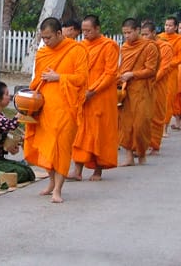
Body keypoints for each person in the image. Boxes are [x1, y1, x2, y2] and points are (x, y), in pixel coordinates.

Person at [24, 17, 88, 203]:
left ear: (60, 33)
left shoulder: (76, 50)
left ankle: (58, 190)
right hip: (44, 108)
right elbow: (37, 80)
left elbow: (82, 78)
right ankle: (51, 181)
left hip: (66, 108)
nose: (45, 42)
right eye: (43, 38)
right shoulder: (42, 54)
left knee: (61, 147)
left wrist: (59, 77)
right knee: (47, 147)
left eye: (49, 37)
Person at [70, 15, 119, 181]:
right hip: (83, 96)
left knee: (99, 133)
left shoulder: (109, 46)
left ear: (98, 29)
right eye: (83, 31)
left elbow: (110, 73)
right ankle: (77, 170)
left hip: (101, 97)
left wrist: (93, 90)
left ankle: (98, 170)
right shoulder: (81, 47)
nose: (85, 34)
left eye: (88, 30)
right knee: (80, 132)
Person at [118, 18, 159, 166]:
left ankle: (141, 153)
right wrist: (120, 77)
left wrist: (133, 74)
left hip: (142, 90)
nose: (126, 36)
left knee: (141, 124)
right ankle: (129, 156)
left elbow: (151, 69)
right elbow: (122, 67)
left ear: (137, 31)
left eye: (129, 32)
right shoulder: (124, 47)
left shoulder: (149, 47)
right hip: (127, 90)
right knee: (126, 125)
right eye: (124, 33)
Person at [140, 20, 172, 155]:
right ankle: (143, 143)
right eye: (142, 34)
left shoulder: (165, 47)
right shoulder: (142, 46)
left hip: (158, 85)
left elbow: (164, 67)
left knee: (157, 115)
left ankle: (154, 145)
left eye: (146, 34)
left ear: (154, 33)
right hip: (143, 85)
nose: (143, 37)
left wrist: (152, 78)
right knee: (143, 115)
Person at [158, 17, 181, 135]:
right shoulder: (159, 38)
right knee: (157, 100)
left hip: (171, 73)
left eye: (170, 25)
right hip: (158, 72)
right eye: (166, 25)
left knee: (168, 100)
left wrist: (167, 64)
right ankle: (156, 127)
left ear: (175, 27)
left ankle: (165, 127)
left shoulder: (180, 40)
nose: (167, 27)